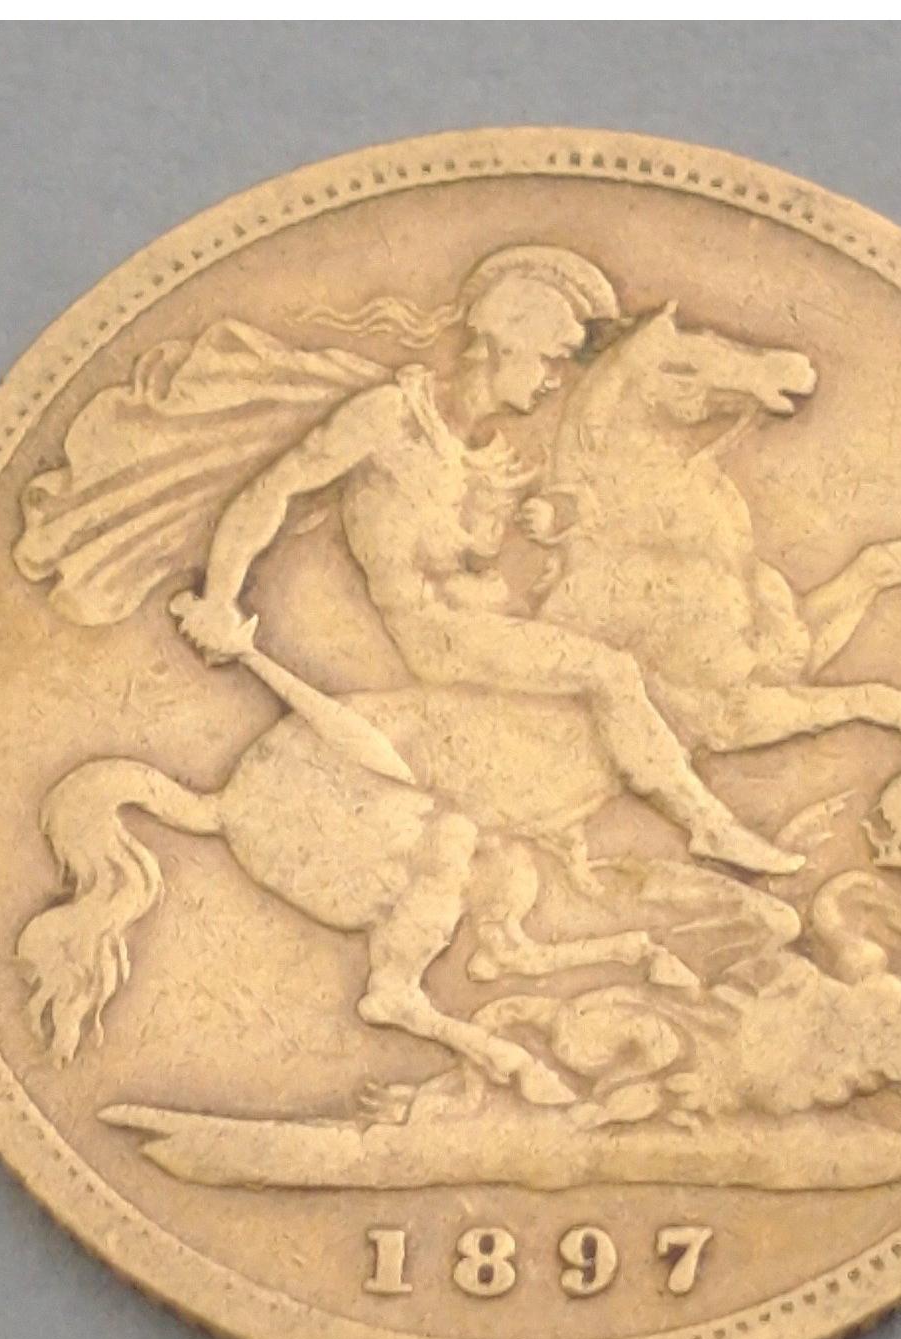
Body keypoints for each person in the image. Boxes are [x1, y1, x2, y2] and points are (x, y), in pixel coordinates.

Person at [170, 245, 800, 876]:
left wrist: (562, 512)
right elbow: (273, 490)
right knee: (609, 671)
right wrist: (220, 598)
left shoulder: (495, 448)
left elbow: (568, 514)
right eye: (551, 358)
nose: (556, 378)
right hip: (437, 634)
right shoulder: (391, 418)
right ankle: (707, 826)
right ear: (506, 342)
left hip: (494, 618)